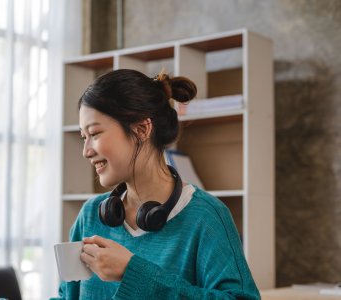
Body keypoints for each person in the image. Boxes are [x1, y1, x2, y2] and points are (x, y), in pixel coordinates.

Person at [51, 69, 260, 299]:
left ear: (142, 129)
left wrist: (134, 273)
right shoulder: (90, 216)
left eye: (95, 133)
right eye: (83, 137)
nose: (86, 151)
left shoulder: (206, 217)